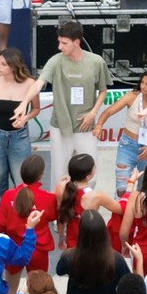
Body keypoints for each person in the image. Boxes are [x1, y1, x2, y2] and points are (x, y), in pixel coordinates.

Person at [37, 21, 109, 186]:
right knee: (59, 173)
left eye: (64, 43)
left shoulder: (96, 62)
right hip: (61, 127)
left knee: (90, 172)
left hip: (85, 126)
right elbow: (39, 82)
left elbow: (103, 90)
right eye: (59, 42)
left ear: (77, 42)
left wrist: (93, 113)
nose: (59, 47)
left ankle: (86, 204)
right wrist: (24, 102)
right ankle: (60, 207)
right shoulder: (56, 61)